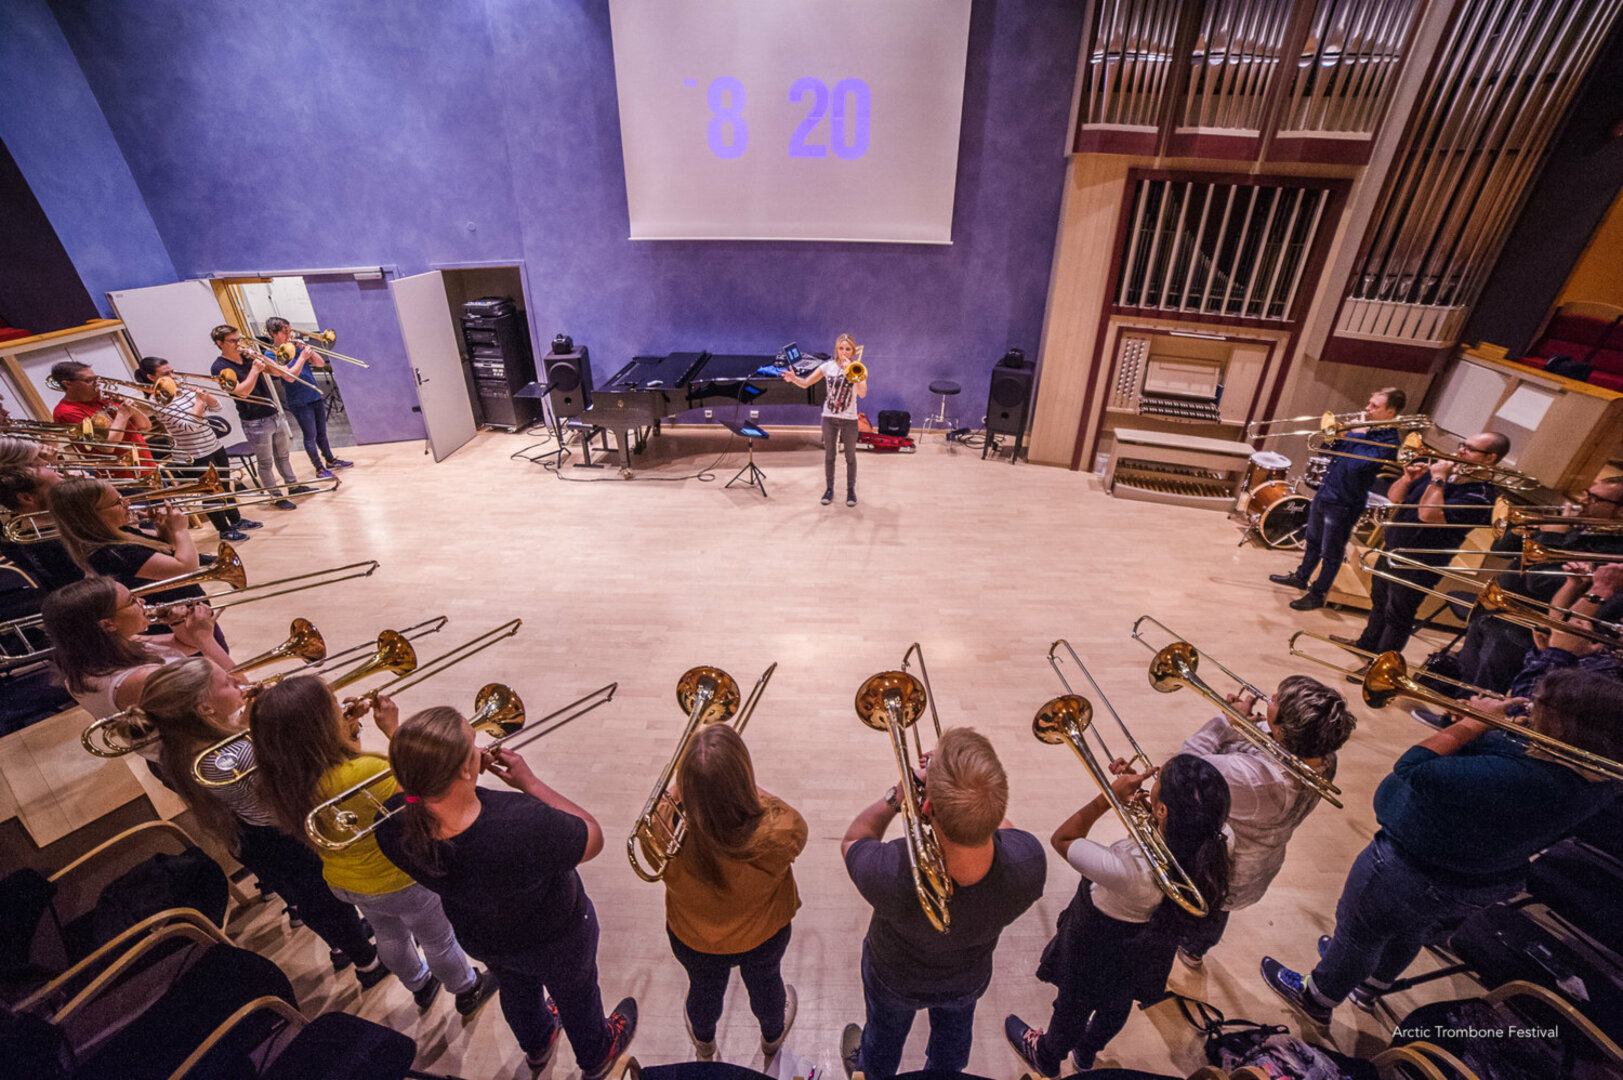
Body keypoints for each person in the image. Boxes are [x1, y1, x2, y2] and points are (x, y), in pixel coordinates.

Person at [1261, 668, 1623, 1025]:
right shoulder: (1598, 773)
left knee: (1357, 933)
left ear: (1566, 728)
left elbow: (1415, 768)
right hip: (1476, 876)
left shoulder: (1530, 777)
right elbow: (1487, 767)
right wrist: (1473, 727)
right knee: (1409, 928)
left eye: (1540, 709)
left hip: (1411, 868)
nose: (1529, 713)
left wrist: (1470, 724)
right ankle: (1370, 984)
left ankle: (1318, 996)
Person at [374, 707, 638, 1079]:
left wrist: (399, 738)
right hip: (557, 937)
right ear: (466, 769)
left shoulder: (390, 823)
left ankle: (538, 1044)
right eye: (473, 743)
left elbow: (413, 796)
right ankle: (596, 1057)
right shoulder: (522, 820)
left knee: (516, 988)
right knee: (577, 995)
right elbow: (591, 836)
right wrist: (530, 781)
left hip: (481, 936)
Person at [249, 675, 496, 1015]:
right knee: (438, 938)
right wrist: (394, 731)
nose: (342, 709)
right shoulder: (367, 772)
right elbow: (420, 792)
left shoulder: (277, 778)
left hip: (346, 881)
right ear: (320, 726)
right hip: (400, 880)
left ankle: (419, 985)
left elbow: (347, 796)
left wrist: (351, 738)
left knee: (389, 935)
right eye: (333, 707)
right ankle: (467, 988)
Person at [132, 658, 385, 984]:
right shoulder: (235, 754)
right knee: (325, 898)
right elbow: (299, 780)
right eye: (227, 683)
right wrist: (342, 730)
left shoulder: (179, 747)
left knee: (304, 899)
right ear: (205, 709)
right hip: (281, 835)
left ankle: (340, 945)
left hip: (250, 838)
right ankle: (368, 963)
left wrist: (251, 719)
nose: (239, 684)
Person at [1004, 755, 1231, 1075]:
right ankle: (1087, 1051)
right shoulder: (1216, 838)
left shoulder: (1131, 871)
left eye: (1156, 784)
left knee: (1072, 1006)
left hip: (1097, 938)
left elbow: (1063, 839)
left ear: (1164, 810)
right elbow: (1174, 833)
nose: (1152, 785)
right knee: (1117, 1005)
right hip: (1150, 949)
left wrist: (1107, 797)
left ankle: (1046, 1054)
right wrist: (1148, 806)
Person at [841, 727, 1045, 1080]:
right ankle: (944, 1073)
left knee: (883, 1036)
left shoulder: (891, 869)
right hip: (967, 978)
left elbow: (853, 839)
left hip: (893, 977)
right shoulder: (1029, 863)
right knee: (954, 1037)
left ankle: (873, 1073)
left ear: (927, 805)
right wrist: (966, 795)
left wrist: (899, 794)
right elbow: (1002, 829)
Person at [646, 724, 805, 1063]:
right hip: (765, 934)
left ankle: (704, 1045)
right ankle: (771, 1039)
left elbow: (666, 814)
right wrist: (739, 787)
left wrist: (683, 786)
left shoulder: (659, 832)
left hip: (693, 938)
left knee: (703, 991)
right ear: (744, 774)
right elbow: (795, 827)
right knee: (766, 985)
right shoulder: (781, 828)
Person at [1173, 677, 1356, 967]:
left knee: (1206, 907)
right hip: (1260, 855)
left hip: (1225, 864)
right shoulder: (1323, 754)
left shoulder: (1258, 780)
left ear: (1283, 731)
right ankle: (1196, 946)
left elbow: (1183, 768)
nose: (1271, 696)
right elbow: (1267, 743)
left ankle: (1189, 948)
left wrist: (1223, 721)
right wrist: (1244, 724)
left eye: (1276, 700)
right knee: (1217, 910)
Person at [1439, 475, 1623, 701]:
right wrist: (1524, 530)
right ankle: (1458, 709)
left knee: (1493, 669)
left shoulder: (1612, 550)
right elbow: (1501, 550)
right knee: (1472, 656)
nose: (1584, 501)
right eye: (1587, 493)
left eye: (1595, 498)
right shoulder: (1583, 527)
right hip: (1502, 610)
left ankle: (1472, 722)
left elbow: (1539, 583)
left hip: (1535, 629)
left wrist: (1552, 535)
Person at [1343, 431, 1509, 664]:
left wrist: (1438, 478)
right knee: (1380, 601)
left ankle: (1379, 667)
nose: (1460, 450)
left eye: (1470, 449)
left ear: (1490, 458)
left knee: (1398, 616)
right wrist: (1407, 478)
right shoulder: (1441, 476)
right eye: (1463, 444)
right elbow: (1394, 496)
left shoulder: (1480, 496)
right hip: (1394, 549)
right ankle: (1366, 645)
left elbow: (1428, 514)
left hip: (1420, 563)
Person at [1270, 388, 1405, 611]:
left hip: (1345, 502)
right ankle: (1301, 577)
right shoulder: (1361, 430)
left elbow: (1356, 465)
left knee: (1331, 552)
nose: (1367, 409)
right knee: (1312, 540)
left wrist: (1357, 434)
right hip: (1326, 492)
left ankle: (1317, 594)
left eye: (1374, 406)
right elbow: (1327, 453)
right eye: (1369, 403)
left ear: (1390, 412)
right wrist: (1335, 437)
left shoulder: (1388, 441)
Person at [42, 576, 230, 729]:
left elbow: (187, 647)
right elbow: (233, 693)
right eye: (132, 601)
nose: (142, 602)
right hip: (211, 751)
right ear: (108, 624)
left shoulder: (103, 652)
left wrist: (178, 624)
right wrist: (206, 639)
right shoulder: (141, 680)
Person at [134, 356, 257, 543]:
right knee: (212, 492)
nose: (173, 376)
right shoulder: (158, 401)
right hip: (194, 453)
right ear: (151, 378)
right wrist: (199, 402)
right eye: (166, 374)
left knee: (225, 485)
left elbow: (217, 407)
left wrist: (205, 396)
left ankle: (236, 520)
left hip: (213, 445)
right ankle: (223, 530)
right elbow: (188, 425)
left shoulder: (183, 391)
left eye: (172, 371)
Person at [47, 476, 208, 606]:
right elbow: (186, 569)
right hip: (176, 615)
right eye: (117, 502)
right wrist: (181, 529)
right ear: (92, 515)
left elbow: (168, 547)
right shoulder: (113, 553)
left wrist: (165, 528)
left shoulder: (119, 532)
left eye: (121, 497)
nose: (127, 503)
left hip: (187, 604)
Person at [208, 325, 301, 511]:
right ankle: (275, 496)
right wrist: (254, 370)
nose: (238, 344)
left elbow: (279, 371)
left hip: (273, 414)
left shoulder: (247, 358)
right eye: (233, 341)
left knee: (283, 455)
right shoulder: (219, 368)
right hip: (254, 420)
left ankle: (294, 486)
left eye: (239, 339)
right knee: (266, 462)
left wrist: (261, 357)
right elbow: (242, 393)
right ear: (220, 343)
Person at [781, 333, 867, 507]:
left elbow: (863, 393)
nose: (844, 352)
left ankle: (851, 491)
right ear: (836, 348)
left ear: (852, 351)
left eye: (848, 349)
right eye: (841, 348)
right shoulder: (827, 367)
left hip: (849, 418)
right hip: (829, 417)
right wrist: (793, 379)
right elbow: (806, 383)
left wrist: (852, 370)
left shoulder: (858, 368)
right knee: (830, 455)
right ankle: (829, 489)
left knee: (850, 456)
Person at [264, 317, 352, 478]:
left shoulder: (295, 347)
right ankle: (319, 468)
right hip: (298, 400)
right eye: (285, 332)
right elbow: (289, 377)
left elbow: (319, 364)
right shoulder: (271, 353)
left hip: (314, 394)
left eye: (289, 330)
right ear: (273, 333)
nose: (289, 334)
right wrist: (303, 357)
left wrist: (308, 350)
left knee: (322, 433)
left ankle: (330, 460)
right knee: (310, 435)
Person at [49, 360, 155, 480]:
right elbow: (107, 446)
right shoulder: (66, 412)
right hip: (124, 476)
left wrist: (130, 408)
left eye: (96, 379)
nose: (97, 384)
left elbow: (145, 426)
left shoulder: (102, 399)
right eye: (89, 380)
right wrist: (122, 414)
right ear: (68, 384)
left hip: (147, 465)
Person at [0, 448, 83, 590]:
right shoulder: (48, 549)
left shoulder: (40, 527)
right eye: (36, 463)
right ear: (27, 498)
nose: (46, 462)